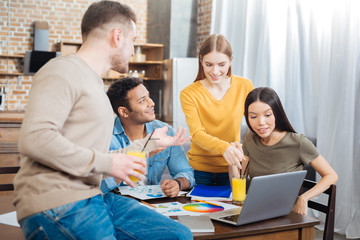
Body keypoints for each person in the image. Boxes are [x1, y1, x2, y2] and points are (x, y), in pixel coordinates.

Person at [13, 1, 192, 239]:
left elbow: (94, 156)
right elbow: (35, 139)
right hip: (60, 202)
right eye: (133, 40)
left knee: (177, 235)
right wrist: (110, 165)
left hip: (94, 196)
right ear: (118, 36)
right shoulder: (62, 70)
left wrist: (150, 144)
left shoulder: (95, 83)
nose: (133, 49)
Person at [236, 87, 338, 215]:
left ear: (277, 113)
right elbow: (240, 178)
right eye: (253, 116)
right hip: (256, 212)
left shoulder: (298, 142)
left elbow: (331, 175)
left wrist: (304, 198)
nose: (261, 122)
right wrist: (232, 157)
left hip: (287, 216)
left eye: (267, 115)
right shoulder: (249, 140)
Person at [101, 77, 195, 197]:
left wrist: (177, 183)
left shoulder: (164, 132)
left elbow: (185, 172)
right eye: (142, 101)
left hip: (154, 202)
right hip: (116, 202)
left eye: (148, 97)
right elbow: (97, 186)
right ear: (124, 112)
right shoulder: (105, 136)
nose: (151, 103)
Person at [180, 34, 254, 186]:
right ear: (201, 62)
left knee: (234, 209)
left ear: (230, 61)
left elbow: (255, 126)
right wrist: (224, 147)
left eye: (221, 64)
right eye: (209, 65)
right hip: (199, 171)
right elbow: (197, 134)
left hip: (233, 168)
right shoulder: (189, 93)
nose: (215, 71)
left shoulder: (244, 86)